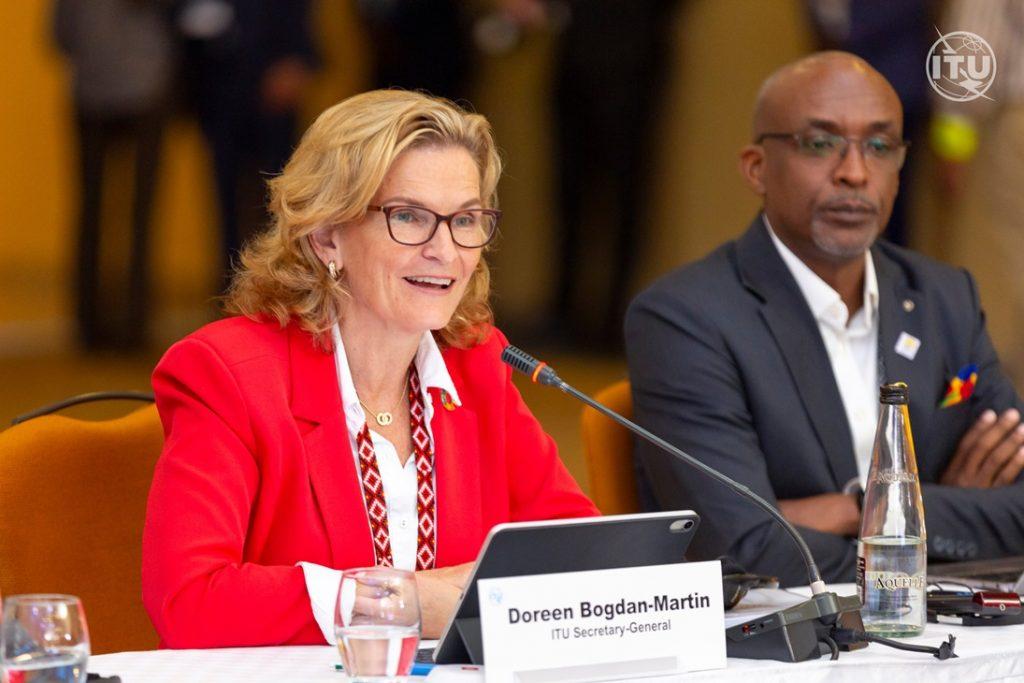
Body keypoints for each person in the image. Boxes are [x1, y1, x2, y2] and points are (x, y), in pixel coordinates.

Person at [142, 90, 599, 648]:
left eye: (465, 220)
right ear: (326, 234)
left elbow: (578, 552)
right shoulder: (228, 374)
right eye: (409, 217)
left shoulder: (476, 364)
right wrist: (399, 601)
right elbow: (189, 600)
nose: (445, 250)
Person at [625, 52, 1024, 586]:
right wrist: (936, 524)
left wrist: (859, 508)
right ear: (757, 168)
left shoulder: (944, 298)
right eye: (819, 143)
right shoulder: (684, 319)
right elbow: (743, 548)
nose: (854, 173)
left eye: (879, 146)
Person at [53, 0, 177, 350]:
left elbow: (59, 34)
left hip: (96, 90)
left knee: (92, 210)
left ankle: (89, 322)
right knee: (137, 212)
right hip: (144, 89)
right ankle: (132, 320)